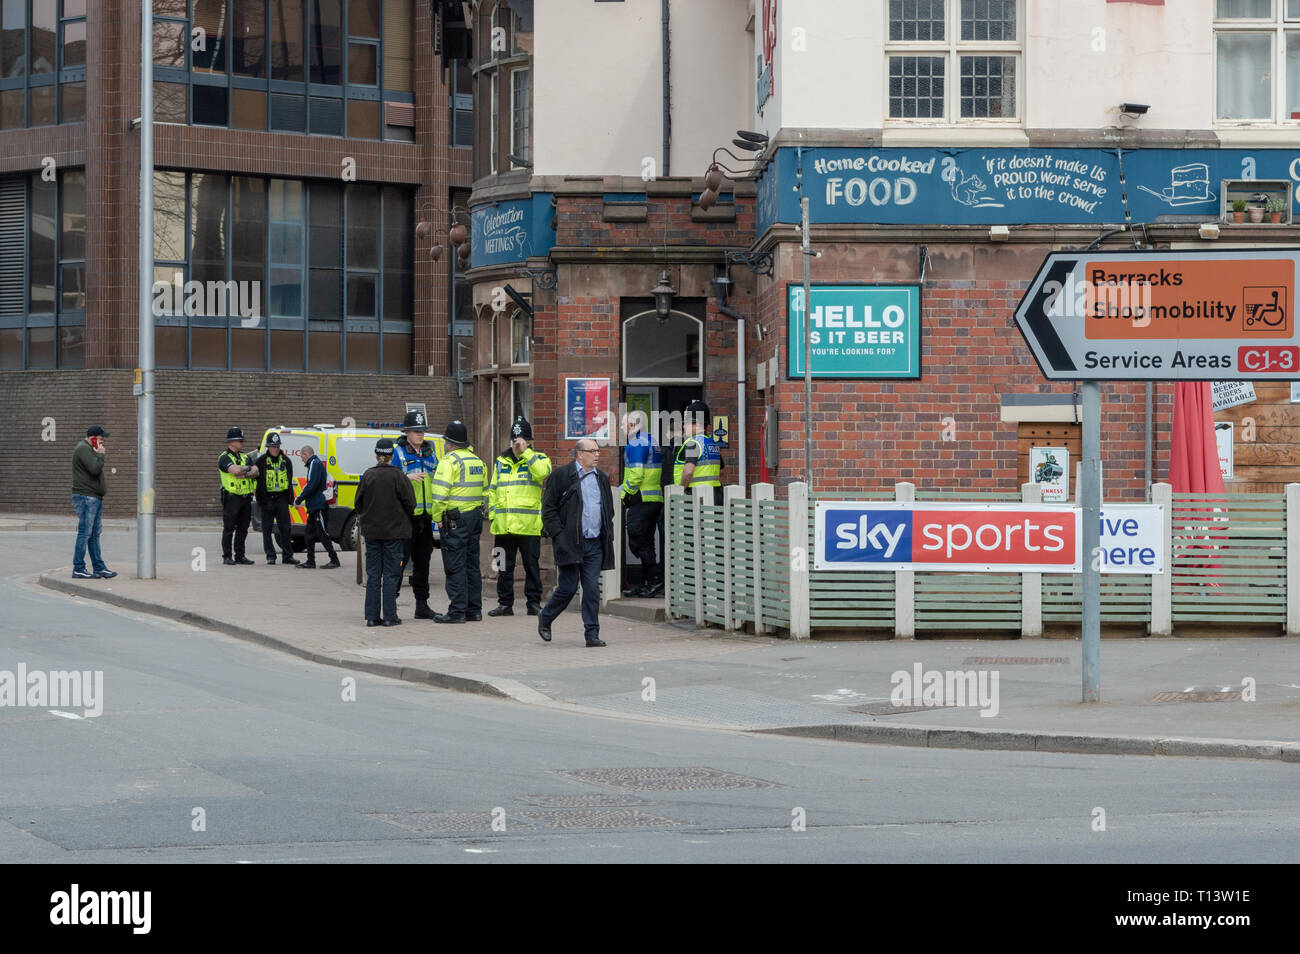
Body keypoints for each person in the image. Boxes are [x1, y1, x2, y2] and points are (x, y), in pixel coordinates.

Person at [538, 438, 615, 648]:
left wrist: (606, 533)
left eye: (598, 451)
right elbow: (549, 509)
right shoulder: (562, 476)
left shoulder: (602, 478)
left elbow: (608, 509)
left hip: (594, 543)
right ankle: (545, 617)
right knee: (568, 588)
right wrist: (559, 535)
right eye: (592, 451)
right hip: (570, 543)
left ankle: (592, 633)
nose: (597, 455)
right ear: (580, 454)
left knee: (591, 589)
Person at [487, 417, 552, 617]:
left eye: (522, 439)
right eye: (515, 439)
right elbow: (493, 490)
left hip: (528, 526)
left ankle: (533, 603)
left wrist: (526, 452)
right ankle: (505, 604)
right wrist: (492, 515)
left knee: (531, 566)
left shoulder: (539, 459)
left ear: (530, 441)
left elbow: (542, 474)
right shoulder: (501, 461)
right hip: (503, 526)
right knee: (503, 566)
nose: (517, 443)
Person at [428, 421, 488, 623]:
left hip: (455, 520)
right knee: (472, 564)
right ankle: (474, 610)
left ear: (450, 443)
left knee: (455, 565)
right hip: (475, 518)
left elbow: (439, 495)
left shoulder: (449, 462)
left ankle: (457, 611)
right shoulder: (478, 462)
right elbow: (484, 491)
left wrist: (437, 518)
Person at [355, 438, 416, 627]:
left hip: (372, 533)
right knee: (391, 575)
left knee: (373, 575)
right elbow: (410, 503)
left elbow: (358, 503)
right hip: (394, 533)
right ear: (391, 456)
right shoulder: (399, 476)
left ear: (376, 455)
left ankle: (372, 617)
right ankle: (390, 616)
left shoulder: (368, 475)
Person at [390, 409, 439, 619]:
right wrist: (406, 477)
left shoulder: (430, 453)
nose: (420, 435)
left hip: (425, 518)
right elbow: (387, 479)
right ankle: (390, 605)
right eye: (416, 431)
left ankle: (422, 605)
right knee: (399, 563)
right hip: (405, 517)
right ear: (406, 432)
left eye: (422, 431)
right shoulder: (398, 452)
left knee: (423, 563)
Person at [619, 410, 663, 598]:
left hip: (641, 498)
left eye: (623, 424)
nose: (621, 427)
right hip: (653, 499)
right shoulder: (651, 440)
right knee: (647, 541)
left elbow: (636, 475)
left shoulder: (636, 443)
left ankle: (653, 580)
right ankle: (648, 583)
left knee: (637, 540)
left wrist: (622, 493)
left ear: (633, 425)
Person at [71, 424, 116, 580]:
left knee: (94, 534)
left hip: (93, 497)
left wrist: (97, 453)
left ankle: (99, 568)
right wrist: (101, 454)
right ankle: (78, 568)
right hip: (86, 498)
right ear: (94, 438)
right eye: (101, 438)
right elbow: (94, 469)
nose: (103, 442)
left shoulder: (90, 450)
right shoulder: (83, 449)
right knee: (85, 533)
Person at [254, 432, 298, 565]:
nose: (275, 449)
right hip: (267, 499)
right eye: (273, 446)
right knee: (267, 529)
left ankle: (287, 556)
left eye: (277, 446)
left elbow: (289, 480)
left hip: (282, 499)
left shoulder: (286, 460)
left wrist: (290, 499)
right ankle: (270, 556)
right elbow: (256, 479)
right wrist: (261, 499)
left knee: (285, 528)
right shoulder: (261, 461)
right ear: (268, 446)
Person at [294, 443, 340, 569]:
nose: (302, 459)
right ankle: (310, 561)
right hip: (314, 506)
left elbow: (311, 485)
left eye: (302, 456)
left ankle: (334, 559)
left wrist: (298, 499)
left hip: (318, 505)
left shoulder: (315, 464)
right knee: (309, 534)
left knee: (322, 533)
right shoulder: (314, 464)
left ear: (305, 454)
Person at [218, 426, 258, 566]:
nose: (242, 443)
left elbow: (256, 471)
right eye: (240, 440)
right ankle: (227, 556)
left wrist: (244, 472)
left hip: (245, 497)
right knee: (229, 528)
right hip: (232, 497)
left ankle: (240, 556)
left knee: (243, 528)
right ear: (231, 442)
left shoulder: (245, 456)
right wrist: (246, 470)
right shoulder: (224, 458)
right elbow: (234, 471)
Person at [675, 400, 722, 506]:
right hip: (715, 497)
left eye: (686, 423)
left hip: (696, 499)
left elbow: (688, 471)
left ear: (697, 424)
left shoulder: (693, 443)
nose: (684, 427)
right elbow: (722, 471)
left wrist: (680, 489)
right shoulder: (712, 443)